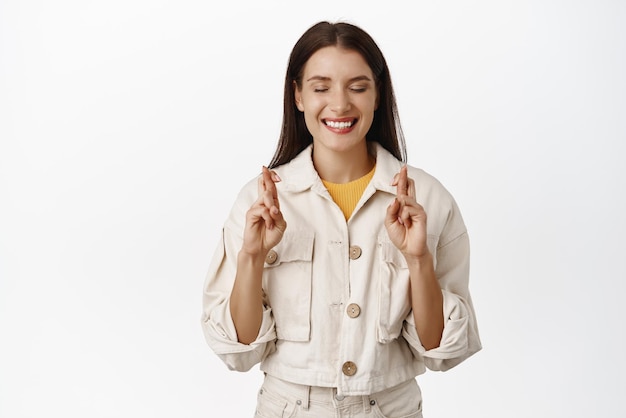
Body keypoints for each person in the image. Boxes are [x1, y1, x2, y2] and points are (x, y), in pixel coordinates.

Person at [201, 20, 481, 417]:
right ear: (297, 95)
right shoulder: (261, 201)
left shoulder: (427, 200)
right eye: (320, 87)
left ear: (378, 95)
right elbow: (240, 349)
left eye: (358, 87)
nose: (340, 104)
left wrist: (418, 260)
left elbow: (439, 350)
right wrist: (251, 256)